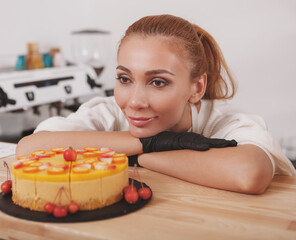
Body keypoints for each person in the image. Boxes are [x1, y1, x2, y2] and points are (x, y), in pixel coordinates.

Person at [16, 14, 296, 194]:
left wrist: (141, 157)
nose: (135, 102)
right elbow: (28, 148)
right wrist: (149, 143)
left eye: (158, 82)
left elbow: (249, 173)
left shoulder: (225, 121)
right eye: (125, 78)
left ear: (196, 88)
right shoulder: (107, 112)